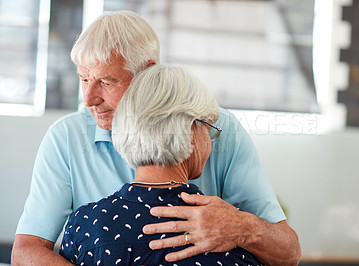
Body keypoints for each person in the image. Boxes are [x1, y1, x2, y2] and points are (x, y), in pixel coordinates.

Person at [11, 10, 300, 265]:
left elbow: (288, 253)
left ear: (148, 73)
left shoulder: (213, 125)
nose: (88, 98)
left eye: (107, 81)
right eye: (84, 79)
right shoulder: (66, 137)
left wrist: (243, 227)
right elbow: (25, 253)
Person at [59, 64, 263, 265]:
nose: (209, 141)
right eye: (208, 129)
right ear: (191, 131)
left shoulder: (84, 226)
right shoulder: (229, 240)